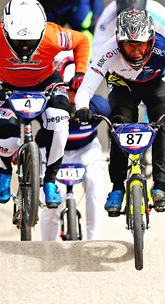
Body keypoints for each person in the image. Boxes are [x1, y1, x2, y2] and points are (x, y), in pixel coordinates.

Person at [0, 0, 90, 208]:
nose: (24, 48)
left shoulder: (53, 35)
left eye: (29, 42)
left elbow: (82, 41)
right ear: (5, 31)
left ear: (41, 32)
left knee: (60, 125)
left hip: (46, 83)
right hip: (7, 86)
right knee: (6, 139)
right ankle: (4, 170)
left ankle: (50, 180)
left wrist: (79, 72)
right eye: (18, 42)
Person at [74, 9, 165, 215]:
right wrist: (83, 108)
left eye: (140, 44)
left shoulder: (163, 48)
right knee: (119, 123)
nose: (136, 52)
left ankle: (160, 186)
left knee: (163, 119)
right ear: (119, 41)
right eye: (130, 45)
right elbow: (86, 88)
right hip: (122, 84)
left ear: (150, 40)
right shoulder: (109, 50)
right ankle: (117, 187)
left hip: (157, 82)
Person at [39, 52, 110, 241]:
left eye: (77, 92)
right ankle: (47, 249)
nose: (72, 98)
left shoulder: (99, 107)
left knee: (95, 181)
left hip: (86, 150)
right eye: (67, 92)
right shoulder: (46, 105)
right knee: (52, 199)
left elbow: (118, 121)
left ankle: (93, 241)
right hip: (52, 153)